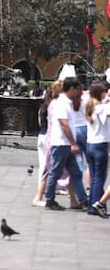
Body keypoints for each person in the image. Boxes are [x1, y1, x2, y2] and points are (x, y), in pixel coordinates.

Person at [43, 77, 88, 210]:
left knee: (76, 172)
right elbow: (64, 124)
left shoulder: (68, 102)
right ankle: (49, 200)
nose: (78, 92)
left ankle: (83, 200)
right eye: (77, 89)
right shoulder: (61, 103)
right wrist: (73, 143)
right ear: (72, 89)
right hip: (61, 143)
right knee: (55, 172)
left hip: (66, 144)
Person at [84, 82, 108, 216]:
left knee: (94, 177)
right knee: (100, 177)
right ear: (101, 93)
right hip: (100, 144)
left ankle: (91, 206)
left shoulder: (90, 105)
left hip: (90, 144)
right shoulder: (101, 107)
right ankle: (95, 205)